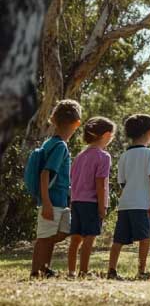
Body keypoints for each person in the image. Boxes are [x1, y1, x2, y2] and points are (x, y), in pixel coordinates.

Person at [30, 99, 82, 279]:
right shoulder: (59, 146)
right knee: (45, 237)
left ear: (53, 119)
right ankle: (36, 271)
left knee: (58, 233)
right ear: (77, 123)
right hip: (51, 200)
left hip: (58, 200)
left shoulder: (50, 142)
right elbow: (45, 174)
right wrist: (46, 203)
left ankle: (44, 267)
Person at [107, 114, 150, 280]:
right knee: (145, 238)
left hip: (125, 204)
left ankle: (111, 270)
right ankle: (141, 270)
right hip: (142, 204)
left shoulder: (124, 156)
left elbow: (122, 183)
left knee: (119, 239)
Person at [67, 116, 115, 278]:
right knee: (89, 237)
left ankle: (72, 271)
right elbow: (100, 184)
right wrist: (102, 207)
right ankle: (84, 271)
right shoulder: (103, 156)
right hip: (92, 202)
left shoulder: (80, 155)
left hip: (76, 201)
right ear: (107, 135)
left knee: (76, 238)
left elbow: (73, 179)